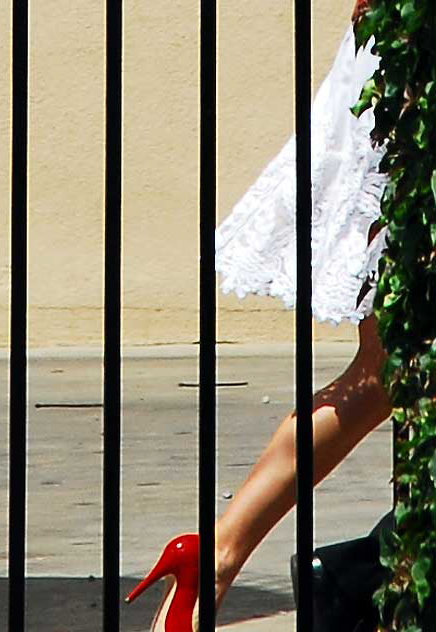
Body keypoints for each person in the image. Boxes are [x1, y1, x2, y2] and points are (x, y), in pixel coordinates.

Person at [125, 1, 392, 630]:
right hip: (409, 78)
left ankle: (220, 559)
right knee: (391, 368)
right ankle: (229, 555)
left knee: (391, 371)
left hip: (398, 65)